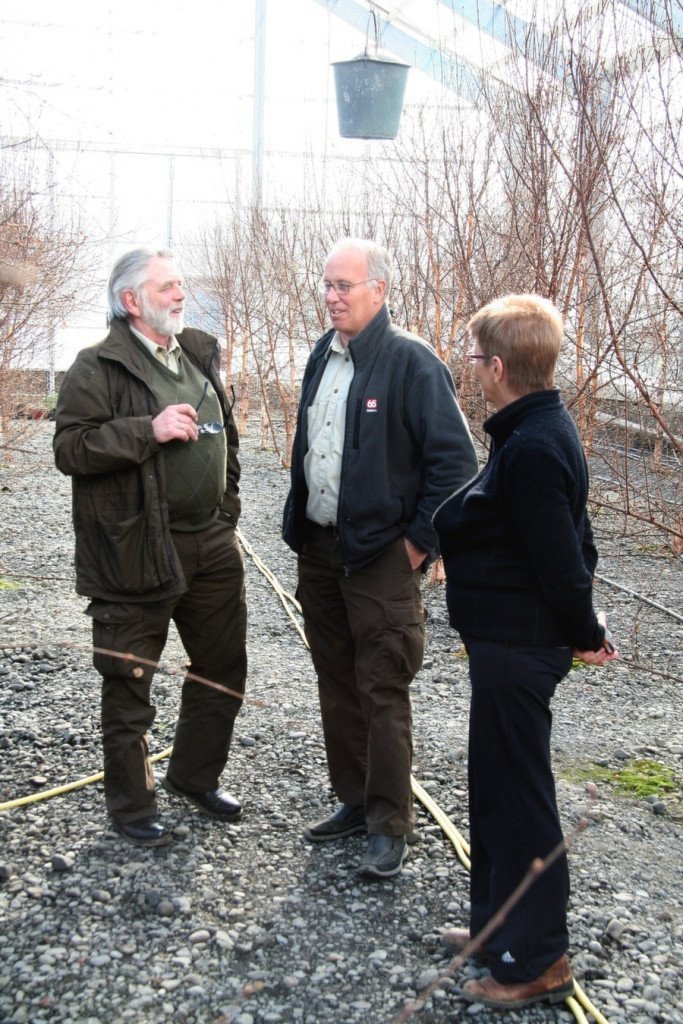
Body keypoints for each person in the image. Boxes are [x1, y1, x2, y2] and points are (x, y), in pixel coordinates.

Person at [433, 294, 618, 1007]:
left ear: (500, 366)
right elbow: (575, 534)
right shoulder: (533, 429)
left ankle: (536, 959)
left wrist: (583, 631)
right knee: (495, 791)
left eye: (476, 357)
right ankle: (494, 932)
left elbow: (561, 558)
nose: (472, 368)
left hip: (518, 648)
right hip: (503, 647)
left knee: (520, 803)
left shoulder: (536, 443)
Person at [282, 238, 478, 880]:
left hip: (381, 558)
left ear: (380, 290)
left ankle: (389, 824)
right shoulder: (323, 354)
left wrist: (418, 545)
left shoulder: (411, 362)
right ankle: (354, 798)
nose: (333, 297)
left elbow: (456, 464)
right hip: (320, 549)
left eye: (345, 285)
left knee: (382, 685)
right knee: (336, 682)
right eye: (327, 285)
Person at [53, 246, 247, 848]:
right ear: (131, 301)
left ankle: (193, 777)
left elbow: (226, 439)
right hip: (135, 548)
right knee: (130, 678)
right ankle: (133, 807)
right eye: (167, 287)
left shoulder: (197, 352)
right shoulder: (97, 366)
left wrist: (226, 505)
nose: (180, 294)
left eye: (181, 284)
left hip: (211, 543)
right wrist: (149, 430)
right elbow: (71, 449)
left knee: (222, 670)